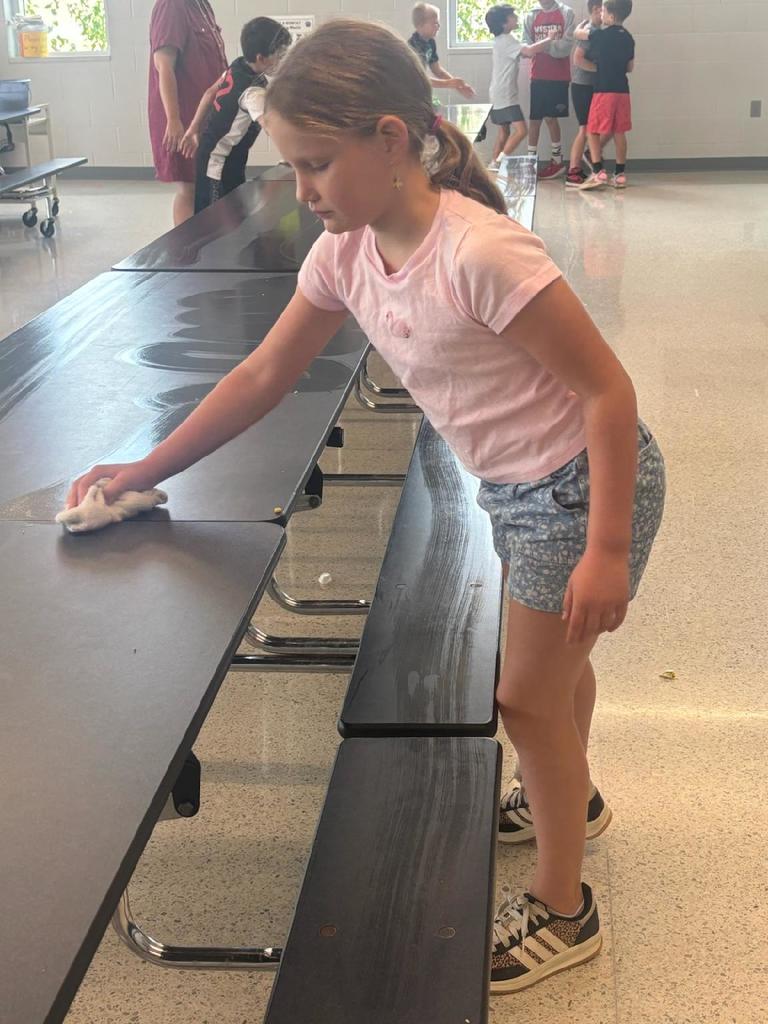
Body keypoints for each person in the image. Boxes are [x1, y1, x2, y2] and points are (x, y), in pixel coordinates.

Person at [68, 18, 665, 994]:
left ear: (391, 140)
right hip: (517, 482)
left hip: (580, 483)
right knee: (554, 674)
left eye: (316, 164)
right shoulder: (345, 252)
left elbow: (608, 391)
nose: (303, 190)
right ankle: (574, 795)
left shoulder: (479, 252)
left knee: (525, 695)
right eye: (292, 167)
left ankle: (566, 909)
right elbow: (263, 375)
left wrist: (604, 548)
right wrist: (147, 466)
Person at [180, 17, 291, 214]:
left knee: (235, 211)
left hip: (226, 156)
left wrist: (193, 129)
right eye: (280, 55)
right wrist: (292, 158)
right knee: (214, 217)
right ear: (261, 58)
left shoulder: (238, 66)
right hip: (217, 163)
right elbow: (272, 127)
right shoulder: (252, 93)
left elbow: (209, 93)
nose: (284, 61)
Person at [148, 0, 227, 225]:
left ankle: (206, 240)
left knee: (207, 182)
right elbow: (163, 66)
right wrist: (173, 119)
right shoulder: (172, 6)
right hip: (185, 117)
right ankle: (187, 246)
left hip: (206, 114)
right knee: (190, 186)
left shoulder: (201, 5)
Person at [485, 4, 558, 173]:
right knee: (522, 130)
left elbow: (524, 52)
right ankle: (499, 161)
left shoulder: (502, 40)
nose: (516, 18)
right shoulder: (506, 40)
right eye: (512, 16)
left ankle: (493, 163)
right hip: (505, 95)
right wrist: (549, 38)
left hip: (497, 93)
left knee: (504, 131)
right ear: (504, 23)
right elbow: (530, 51)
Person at [579, 0, 635, 189]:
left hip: (603, 90)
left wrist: (578, 29)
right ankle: (620, 174)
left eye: (603, 10)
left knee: (592, 130)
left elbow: (579, 34)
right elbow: (630, 67)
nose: (600, 13)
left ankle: (598, 171)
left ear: (611, 15)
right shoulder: (629, 38)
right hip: (623, 91)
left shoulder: (600, 35)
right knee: (619, 131)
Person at [521, 0, 575, 180]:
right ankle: (531, 162)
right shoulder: (530, 15)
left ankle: (557, 161)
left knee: (551, 118)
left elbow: (565, 48)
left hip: (559, 76)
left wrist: (542, 45)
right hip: (538, 75)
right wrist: (549, 42)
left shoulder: (567, 13)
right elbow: (527, 48)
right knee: (535, 119)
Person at [566, 0, 603, 188]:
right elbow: (578, 59)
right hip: (582, 87)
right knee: (585, 128)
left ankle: (590, 154)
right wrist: (600, 70)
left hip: (591, 86)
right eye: (604, 8)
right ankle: (573, 170)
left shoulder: (594, 30)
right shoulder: (588, 32)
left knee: (597, 128)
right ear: (596, 9)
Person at [408, 3, 476, 98]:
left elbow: (438, 71)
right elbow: (419, 78)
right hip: (409, 94)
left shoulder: (430, 42)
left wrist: (459, 86)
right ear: (420, 25)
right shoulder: (413, 47)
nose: (438, 26)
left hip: (422, 91)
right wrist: (448, 83)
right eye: (434, 23)